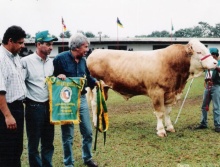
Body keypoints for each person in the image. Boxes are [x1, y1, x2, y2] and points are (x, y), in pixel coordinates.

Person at [53, 33, 98, 167]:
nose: (87, 49)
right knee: (68, 135)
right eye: (85, 47)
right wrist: (57, 76)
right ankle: (68, 163)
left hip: (82, 98)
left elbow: (88, 77)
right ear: (77, 47)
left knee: (88, 132)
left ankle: (87, 158)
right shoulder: (59, 59)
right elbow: (51, 78)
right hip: (66, 100)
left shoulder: (84, 61)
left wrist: (96, 82)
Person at [21, 30, 58, 167]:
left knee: (48, 142)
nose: (51, 47)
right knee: (34, 143)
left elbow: (50, 81)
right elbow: (20, 82)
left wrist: (57, 78)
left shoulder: (51, 62)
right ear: (38, 44)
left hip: (49, 107)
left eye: (52, 44)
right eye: (48, 44)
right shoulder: (25, 62)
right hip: (33, 107)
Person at [0, 25, 26, 167]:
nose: (23, 45)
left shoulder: (15, 57)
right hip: (6, 109)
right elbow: (0, 91)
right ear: (10, 41)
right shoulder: (1, 59)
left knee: (17, 149)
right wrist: (8, 116)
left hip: (17, 107)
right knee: (6, 151)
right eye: (20, 42)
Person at [195, 48, 220, 132]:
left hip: (216, 86)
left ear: (216, 55)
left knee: (216, 107)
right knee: (204, 106)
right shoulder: (207, 63)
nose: (211, 55)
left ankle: (218, 125)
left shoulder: (218, 63)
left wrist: (215, 66)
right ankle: (203, 123)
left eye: (212, 54)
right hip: (207, 86)